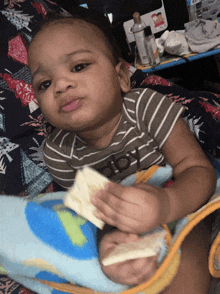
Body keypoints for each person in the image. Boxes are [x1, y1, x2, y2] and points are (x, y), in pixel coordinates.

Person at [28, 15, 217, 293]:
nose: (61, 85)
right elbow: (91, 211)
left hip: (179, 205)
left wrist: (167, 203)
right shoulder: (58, 152)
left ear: (120, 77)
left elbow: (198, 170)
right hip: (121, 226)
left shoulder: (146, 107)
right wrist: (111, 241)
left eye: (79, 66)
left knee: (187, 250)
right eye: (44, 83)